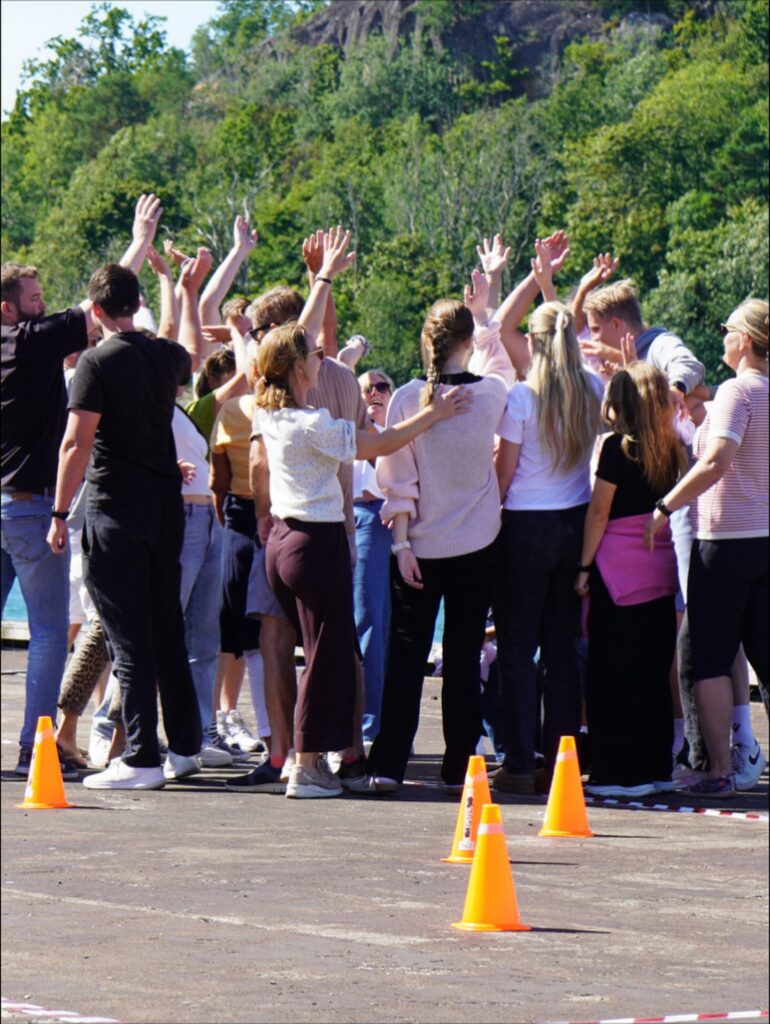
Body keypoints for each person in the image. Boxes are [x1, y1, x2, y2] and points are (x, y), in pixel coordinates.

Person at [252, 227, 471, 799]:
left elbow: (297, 337)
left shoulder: (269, 407)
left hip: (281, 541)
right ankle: (306, 765)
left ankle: (321, 757)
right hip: (314, 543)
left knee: (327, 654)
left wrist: (322, 278)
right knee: (327, 660)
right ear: (301, 370)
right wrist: (435, 414)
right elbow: (380, 444)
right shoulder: (311, 425)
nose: (321, 358)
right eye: (314, 357)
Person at [1, 193, 162, 779]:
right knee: (48, 632)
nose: (45, 309)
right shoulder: (28, 342)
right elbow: (102, 306)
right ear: (9, 309)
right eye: (35, 301)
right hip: (28, 506)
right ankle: (36, 748)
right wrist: (140, 240)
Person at [47, 254, 208, 790]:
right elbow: (191, 349)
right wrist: (182, 291)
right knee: (166, 628)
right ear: (136, 304)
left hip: (116, 508)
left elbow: (77, 441)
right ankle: (184, 746)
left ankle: (140, 756)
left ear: (94, 310)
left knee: (126, 637)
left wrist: (57, 511)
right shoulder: (164, 357)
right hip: (166, 508)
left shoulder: (95, 362)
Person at [366, 269, 515, 794]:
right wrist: (489, 306)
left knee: (405, 658)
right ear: (467, 342)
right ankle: (459, 765)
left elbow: (396, 478)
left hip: (420, 545)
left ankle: (387, 763)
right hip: (479, 541)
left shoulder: (407, 399)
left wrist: (402, 541)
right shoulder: (493, 395)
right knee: (463, 655)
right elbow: (503, 367)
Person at [646, 300, 768, 797]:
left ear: (745, 339)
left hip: (725, 542)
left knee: (706, 657)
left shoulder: (739, 392)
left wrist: (665, 505)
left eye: (727, 330)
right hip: (765, 538)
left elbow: (717, 460)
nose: (721, 336)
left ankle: (718, 769)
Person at [493, 244, 602, 795]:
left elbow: (504, 475)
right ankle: (563, 757)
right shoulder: (591, 388)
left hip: (526, 525)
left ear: (533, 343)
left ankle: (518, 756)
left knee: (516, 644)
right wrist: (554, 291)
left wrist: (540, 283)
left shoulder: (522, 396)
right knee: (563, 645)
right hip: (575, 521)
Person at [576, 361, 686, 797]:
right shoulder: (672, 447)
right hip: (658, 570)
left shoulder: (616, 450)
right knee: (653, 670)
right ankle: (656, 765)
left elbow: (599, 512)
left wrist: (582, 567)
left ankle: (619, 773)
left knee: (611, 671)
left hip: (616, 574)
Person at [353, 368, 395, 746]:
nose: (375, 393)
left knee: (374, 623)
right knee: (360, 622)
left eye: (383, 387)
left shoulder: (394, 437)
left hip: (381, 521)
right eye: (366, 387)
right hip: (346, 518)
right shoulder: (348, 430)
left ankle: (372, 724)